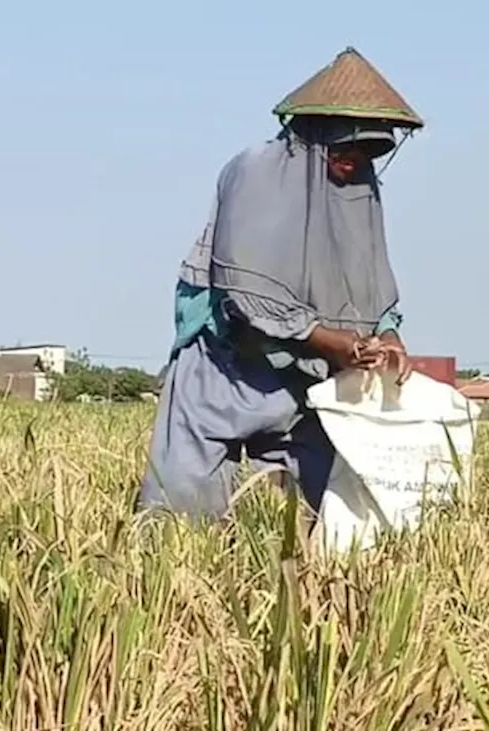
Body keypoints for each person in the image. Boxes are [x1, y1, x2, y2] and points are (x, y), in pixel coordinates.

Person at [138, 48, 424, 521]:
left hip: (307, 376)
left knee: (323, 518)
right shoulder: (257, 172)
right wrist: (334, 342)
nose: (354, 164)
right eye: (343, 151)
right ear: (311, 137)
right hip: (226, 363)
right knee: (182, 516)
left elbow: (373, 283)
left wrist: (386, 337)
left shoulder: (359, 190)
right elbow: (249, 295)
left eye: (366, 154)